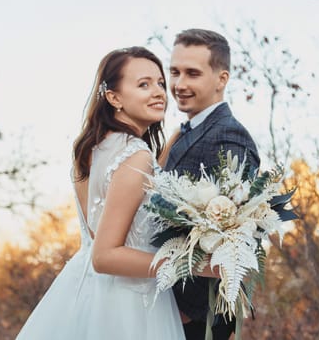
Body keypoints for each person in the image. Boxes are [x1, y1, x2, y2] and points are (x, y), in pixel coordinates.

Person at [17, 46, 217, 340]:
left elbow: (119, 205)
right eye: (143, 85)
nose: (159, 92)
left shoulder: (90, 149)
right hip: (129, 307)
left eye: (160, 83)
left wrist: (166, 149)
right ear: (114, 97)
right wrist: (198, 265)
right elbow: (105, 255)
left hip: (83, 294)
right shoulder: (135, 156)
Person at [164, 29, 260, 340]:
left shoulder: (229, 136)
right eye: (175, 72)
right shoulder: (185, 132)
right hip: (165, 309)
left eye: (192, 73)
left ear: (221, 79)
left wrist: (189, 312)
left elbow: (236, 237)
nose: (179, 84)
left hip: (194, 321)